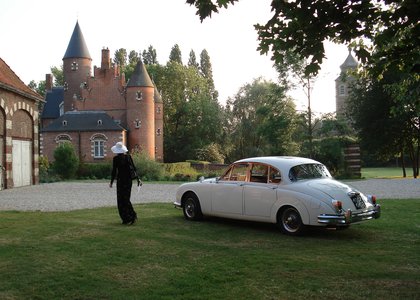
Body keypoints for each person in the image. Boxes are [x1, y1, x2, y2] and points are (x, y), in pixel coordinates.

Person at [109, 142, 139, 225]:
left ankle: (126, 218)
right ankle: (131, 215)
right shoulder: (128, 157)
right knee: (126, 198)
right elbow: (134, 168)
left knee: (120, 199)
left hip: (121, 180)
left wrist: (111, 182)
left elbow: (114, 171)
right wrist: (138, 179)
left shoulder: (116, 159)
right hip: (128, 181)